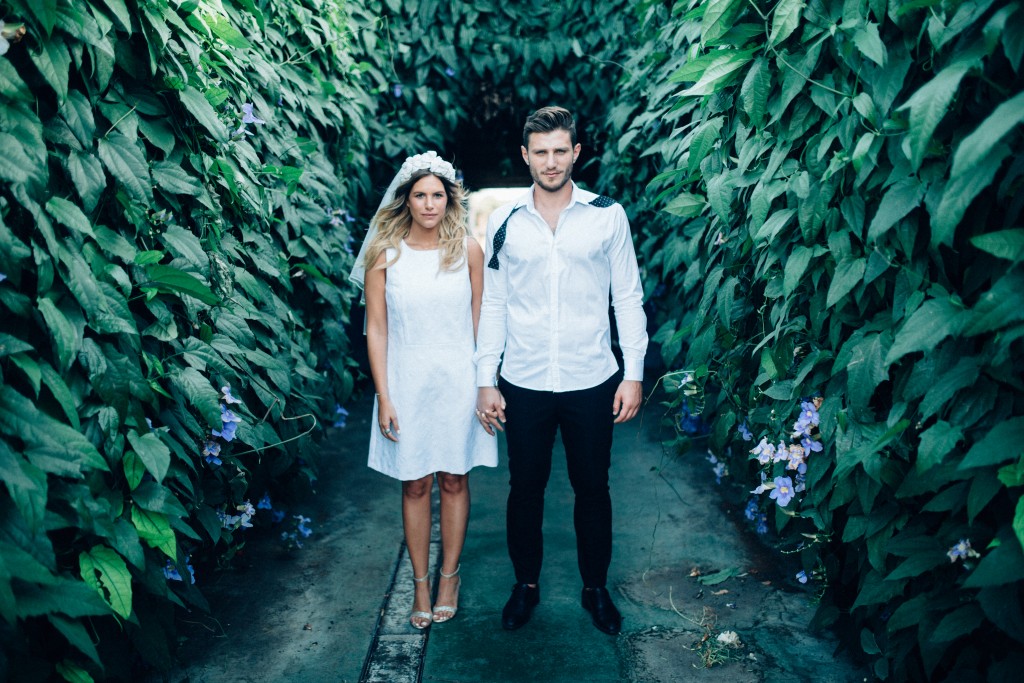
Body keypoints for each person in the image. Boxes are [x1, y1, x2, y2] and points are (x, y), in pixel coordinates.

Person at [474, 106, 649, 636]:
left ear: (576, 153)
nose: (550, 162)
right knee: (525, 488)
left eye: (559, 151)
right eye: (540, 152)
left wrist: (633, 373)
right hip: (523, 379)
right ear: (525, 156)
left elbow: (628, 297)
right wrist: (485, 379)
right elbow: (495, 303)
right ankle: (525, 586)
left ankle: (595, 589)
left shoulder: (607, 216)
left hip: (591, 377)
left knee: (592, 488)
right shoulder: (504, 221)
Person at [350, 151, 498, 630]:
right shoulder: (384, 254)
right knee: (414, 483)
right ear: (406, 200)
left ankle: (449, 577)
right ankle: (419, 584)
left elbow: (482, 324)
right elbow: (377, 329)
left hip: (458, 380)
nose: (430, 204)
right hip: (406, 380)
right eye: (420, 195)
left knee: (454, 479)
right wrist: (384, 396)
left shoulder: (468, 251)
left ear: (450, 199)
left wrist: (486, 384)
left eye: (438, 195)